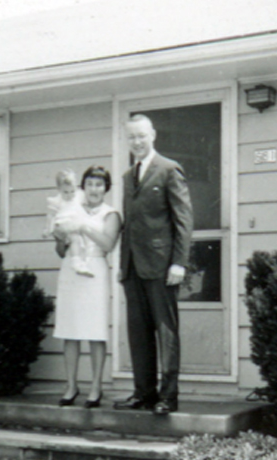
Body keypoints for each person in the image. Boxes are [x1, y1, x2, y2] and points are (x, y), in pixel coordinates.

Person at [114, 114, 193, 415]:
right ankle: (143, 393)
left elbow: (183, 220)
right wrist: (124, 265)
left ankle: (168, 397)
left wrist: (179, 263)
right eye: (131, 137)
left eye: (141, 136)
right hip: (133, 267)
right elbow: (130, 225)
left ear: (153, 135)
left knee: (166, 332)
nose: (136, 142)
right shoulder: (126, 177)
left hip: (162, 267)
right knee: (138, 333)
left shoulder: (169, 170)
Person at [53, 166, 121, 408]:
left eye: (99, 185)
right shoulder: (71, 209)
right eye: (90, 184)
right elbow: (60, 251)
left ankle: (95, 387)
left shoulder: (111, 214)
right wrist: (61, 237)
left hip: (95, 270)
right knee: (70, 331)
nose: (94, 189)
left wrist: (84, 227)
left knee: (95, 331)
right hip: (71, 269)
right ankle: (71, 385)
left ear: (106, 188)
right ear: (83, 187)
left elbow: (109, 243)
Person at [43, 169, 93, 277]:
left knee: (82, 240)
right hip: (64, 224)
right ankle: (76, 262)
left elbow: (86, 205)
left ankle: (83, 262)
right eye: (66, 192)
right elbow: (50, 215)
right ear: (59, 189)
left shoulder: (79, 196)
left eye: (72, 191)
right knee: (74, 239)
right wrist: (47, 229)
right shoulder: (57, 200)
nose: (70, 195)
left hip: (77, 224)